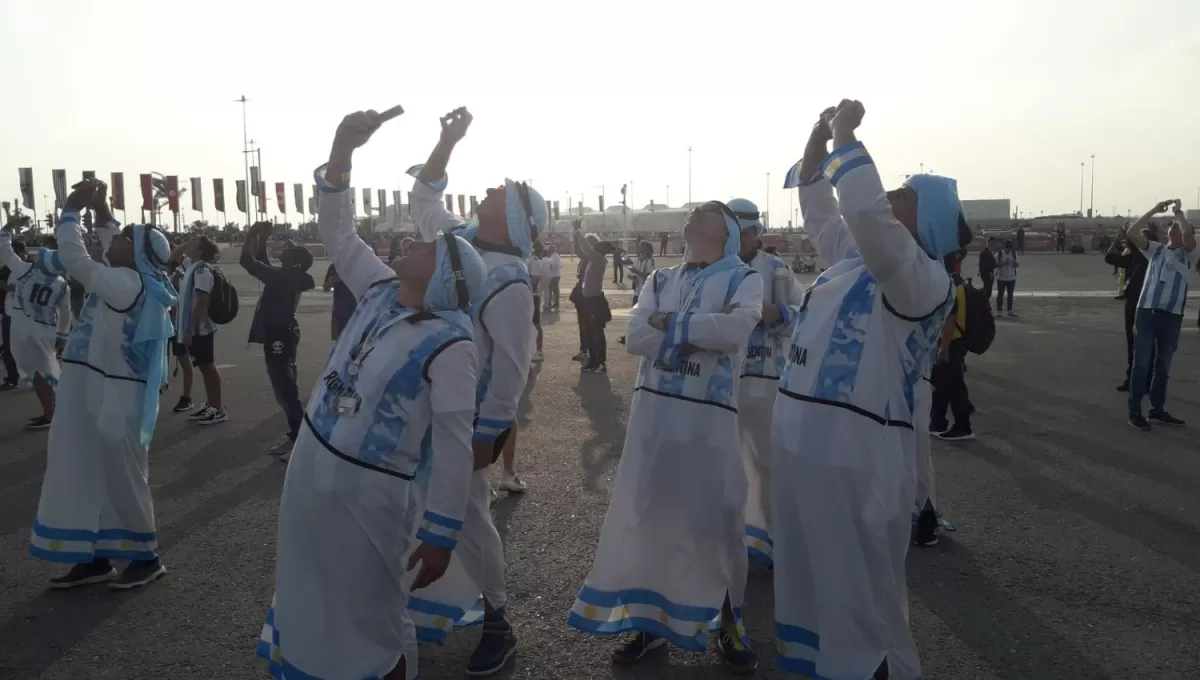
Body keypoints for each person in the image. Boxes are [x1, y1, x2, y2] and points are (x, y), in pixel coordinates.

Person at [256, 109, 486, 680]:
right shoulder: (382, 289)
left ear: (445, 278)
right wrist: (342, 149)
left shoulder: (451, 344)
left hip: (371, 495)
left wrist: (440, 533)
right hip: (311, 468)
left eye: (430, 244)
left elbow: (456, 447)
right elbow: (338, 232)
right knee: (308, 591)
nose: (413, 241)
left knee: (374, 618)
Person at [773, 101, 967, 679]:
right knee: (813, 581)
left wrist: (844, 137)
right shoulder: (857, 260)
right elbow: (821, 210)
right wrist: (816, 145)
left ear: (923, 220)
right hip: (809, 448)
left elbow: (864, 209)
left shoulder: (921, 279)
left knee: (857, 596)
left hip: (857, 456)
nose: (892, 196)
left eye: (905, 194)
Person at [568, 199, 762, 672]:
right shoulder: (659, 280)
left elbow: (735, 330)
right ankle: (649, 624)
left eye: (710, 210)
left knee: (716, 523)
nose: (697, 212)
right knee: (651, 518)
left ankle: (729, 622)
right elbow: (635, 337)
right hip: (653, 417)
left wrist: (667, 328)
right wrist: (692, 334)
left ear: (728, 232)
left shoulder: (743, 277)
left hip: (708, 421)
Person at [408, 106, 543, 675]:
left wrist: (489, 435)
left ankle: (498, 618)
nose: (488, 188)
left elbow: (513, 368)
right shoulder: (459, 243)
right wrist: (446, 142)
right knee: (410, 513)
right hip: (417, 408)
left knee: (468, 522)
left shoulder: (509, 279)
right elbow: (423, 203)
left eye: (501, 190)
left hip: (461, 424)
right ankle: (406, 612)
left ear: (511, 215)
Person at [29, 178, 175, 589]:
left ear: (138, 253)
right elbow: (112, 243)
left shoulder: (127, 284)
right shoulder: (130, 275)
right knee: (85, 468)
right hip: (95, 387)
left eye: (126, 237)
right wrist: (104, 209)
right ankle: (95, 557)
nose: (114, 240)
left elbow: (76, 260)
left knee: (123, 477)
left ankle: (146, 557)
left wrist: (72, 212)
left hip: (116, 395)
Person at [729, 198, 804, 570]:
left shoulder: (777, 270)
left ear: (756, 232)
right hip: (720, 380)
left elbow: (805, 313)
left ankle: (767, 535)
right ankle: (727, 538)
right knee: (723, 462)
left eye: (745, 232)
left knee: (765, 462)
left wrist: (779, 313)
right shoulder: (712, 269)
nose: (740, 240)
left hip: (764, 378)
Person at [240, 222, 316, 458]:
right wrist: (261, 239)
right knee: (285, 385)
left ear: (291, 260)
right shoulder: (288, 276)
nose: (282, 251)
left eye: (287, 251)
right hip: (284, 333)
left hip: (279, 336)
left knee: (285, 389)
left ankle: (299, 438)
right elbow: (262, 261)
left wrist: (252, 234)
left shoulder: (282, 277)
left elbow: (248, 262)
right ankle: (297, 435)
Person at [1123, 200, 1193, 430]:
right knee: (1141, 364)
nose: (1175, 226)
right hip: (1147, 313)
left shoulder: (1189, 255)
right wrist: (1154, 210)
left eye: (1179, 226)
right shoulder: (1156, 250)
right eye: (1171, 225)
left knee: (1163, 366)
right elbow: (1132, 232)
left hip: (1171, 317)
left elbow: (1189, 239)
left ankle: (1157, 409)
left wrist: (1179, 214)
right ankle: (1135, 410)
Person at [0, 226, 73, 429]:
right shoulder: (62, 284)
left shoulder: (26, 271)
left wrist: (7, 227)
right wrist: (62, 337)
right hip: (47, 331)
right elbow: (66, 314)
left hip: (24, 328)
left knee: (38, 373)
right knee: (46, 370)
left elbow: (5, 250)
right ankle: (52, 411)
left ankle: (50, 414)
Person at [173, 236, 226, 425]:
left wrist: (189, 329)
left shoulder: (202, 270)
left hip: (200, 328)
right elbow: (174, 255)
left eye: (194, 244)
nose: (189, 244)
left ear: (200, 251)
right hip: (194, 328)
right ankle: (211, 404)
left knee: (208, 366)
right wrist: (189, 244)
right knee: (203, 366)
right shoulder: (192, 265)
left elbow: (202, 301)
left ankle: (217, 408)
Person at [931, 253, 975, 441]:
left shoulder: (950, 287)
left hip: (951, 342)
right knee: (942, 383)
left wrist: (944, 347)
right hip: (957, 341)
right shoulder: (959, 284)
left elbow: (951, 319)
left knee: (953, 384)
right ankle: (937, 422)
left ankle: (963, 425)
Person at [1106, 226, 1155, 392]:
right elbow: (1109, 257)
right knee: (1134, 344)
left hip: (1145, 305)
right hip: (1133, 303)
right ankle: (1136, 379)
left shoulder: (1149, 258)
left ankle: (1143, 381)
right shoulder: (1133, 257)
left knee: (1142, 344)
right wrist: (1118, 238)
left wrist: (1124, 237)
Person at [573, 228, 613, 373]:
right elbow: (581, 250)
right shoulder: (593, 260)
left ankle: (600, 363)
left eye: (597, 246)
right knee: (591, 332)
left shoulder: (598, 259)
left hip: (595, 300)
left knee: (597, 333)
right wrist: (575, 235)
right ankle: (593, 360)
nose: (594, 248)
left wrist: (578, 232)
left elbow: (587, 248)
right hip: (589, 299)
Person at [0, 238, 23, 390]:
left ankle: (13, 378)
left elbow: (10, 287)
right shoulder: (28, 267)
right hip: (19, 312)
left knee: (8, 348)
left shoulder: (10, 268)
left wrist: (8, 287)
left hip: (11, 312)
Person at [324, 263, 357, 341]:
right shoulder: (334, 267)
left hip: (357, 311)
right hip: (340, 312)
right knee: (340, 342)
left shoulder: (359, 266)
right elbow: (325, 288)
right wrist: (332, 281)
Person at [528, 241, 545, 363]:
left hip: (533, 296)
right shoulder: (525, 260)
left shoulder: (535, 261)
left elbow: (535, 280)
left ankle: (539, 350)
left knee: (536, 323)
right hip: (525, 296)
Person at [995, 239, 1019, 316]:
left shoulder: (1013, 254)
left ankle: (1009, 310)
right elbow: (995, 265)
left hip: (1011, 278)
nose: (1007, 250)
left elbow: (1017, 265)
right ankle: (999, 310)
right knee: (1000, 295)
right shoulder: (999, 254)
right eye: (1006, 248)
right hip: (1001, 278)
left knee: (1010, 295)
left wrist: (1013, 263)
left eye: (1009, 248)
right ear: (1004, 247)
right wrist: (1004, 263)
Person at [977, 236, 998, 300]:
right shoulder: (987, 253)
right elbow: (991, 265)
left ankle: (985, 303)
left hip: (986, 274)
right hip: (988, 274)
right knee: (988, 290)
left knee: (987, 289)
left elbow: (981, 264)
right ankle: (985, 303)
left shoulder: (986, 252)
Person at [544, 243, 561, 311]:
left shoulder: (555, 256)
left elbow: (554, 265)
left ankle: (556, 303)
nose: (549, 250)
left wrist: (548, 266)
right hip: (552, 275)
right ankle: (550, 302)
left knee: (555, 290)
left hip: (555, 275)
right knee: (551, 289)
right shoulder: (553, 256)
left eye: (550, 249)